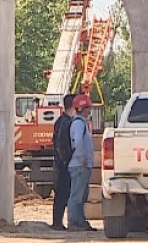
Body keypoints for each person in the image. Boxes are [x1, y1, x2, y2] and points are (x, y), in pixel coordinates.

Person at [67, 94, 96, 231]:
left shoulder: (81, 123)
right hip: (79, 165)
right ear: (82, 108)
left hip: (82, 165)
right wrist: (82, 158)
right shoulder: (78, 124)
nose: (89, 111)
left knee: (81, 195)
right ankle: (74, 222)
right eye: (87, 108)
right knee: (76, 196)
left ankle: (80, 220)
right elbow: (77, 142)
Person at [50, 93, 76, 231]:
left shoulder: (60, 121)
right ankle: (57, 223)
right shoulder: (66, 122)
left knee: (62, 192)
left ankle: (58, 222)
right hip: (63, 164)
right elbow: (61, 143)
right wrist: (67, 158)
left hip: (60, 163)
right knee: (62, 192)